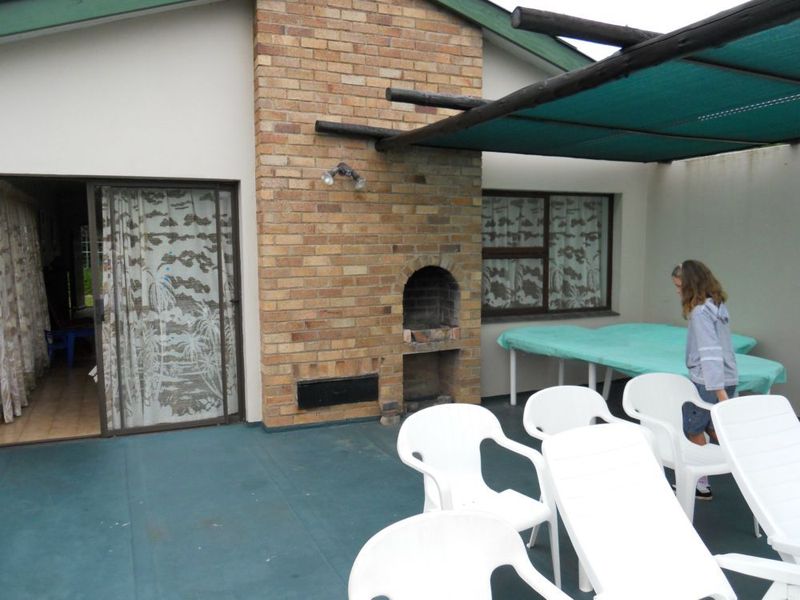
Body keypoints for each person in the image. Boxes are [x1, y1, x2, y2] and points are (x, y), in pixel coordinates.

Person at [671, 260, 738, 500]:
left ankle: (700, 484)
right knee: (713, 426)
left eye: (679, 286)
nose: (677, 291)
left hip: (708, 381)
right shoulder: (717, 306)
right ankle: (744, 465)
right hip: (727, 376)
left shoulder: (700, 313)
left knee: (693, 426)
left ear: (691, 285)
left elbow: (710, 352)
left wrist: (719, 392)